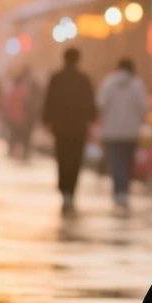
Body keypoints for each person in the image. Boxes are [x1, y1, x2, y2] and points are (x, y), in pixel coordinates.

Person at [43, 47, 97, 212]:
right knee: (75, 160)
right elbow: (90, 103)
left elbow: (49, 101)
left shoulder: (56, 78)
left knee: (62, 159)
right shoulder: (84, 79)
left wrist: (47, 121)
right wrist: (91, 119)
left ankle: (64, 190)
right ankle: (71, 191)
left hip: (61, 127)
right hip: (78, 127)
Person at [97, 58, 148, 209]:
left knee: (116, 162)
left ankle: (117, 192)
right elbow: (143, 107)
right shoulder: (137, 84)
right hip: (131, 132)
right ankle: (124, 191)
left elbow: (101, 104)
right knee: (127, 162)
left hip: (112, 131)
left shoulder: (109, 83)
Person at [3, 68, 39, 161]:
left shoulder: (11, 91)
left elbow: (6, 105)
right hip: (22, 118)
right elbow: (28, 105)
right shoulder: (25, 92)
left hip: (13, 118)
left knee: (14, 136)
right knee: (24, 137)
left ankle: (12, 152)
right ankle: (24, 153)